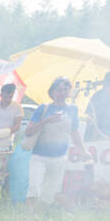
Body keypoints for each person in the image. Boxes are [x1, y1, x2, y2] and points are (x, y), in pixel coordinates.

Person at [24, 77, 86, 206]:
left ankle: (39, 218)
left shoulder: (73, 109)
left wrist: (83, 151)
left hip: (59, 157)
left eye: (65, 89)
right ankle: (29, 218)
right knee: (34, 187)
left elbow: (74, 132)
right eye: (59, 90)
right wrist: (47, 121)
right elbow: (28, 131)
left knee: (49, 192)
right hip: (39, 156)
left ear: (69, 91)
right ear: (52, 92)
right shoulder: (43, 108)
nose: (62, 93)